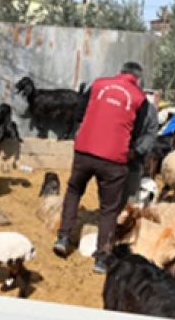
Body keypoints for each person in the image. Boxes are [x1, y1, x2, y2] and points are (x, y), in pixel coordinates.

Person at [53, 62, 151, 274]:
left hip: (85, 150)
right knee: (109, 209)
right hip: (114, 159)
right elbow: (138, 129)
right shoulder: (140, 98)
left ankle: (63, 237)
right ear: (138, 80)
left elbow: (79, 114)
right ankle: (101, 258)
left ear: (119, 73)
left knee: (74, 190)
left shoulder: (98, 84)